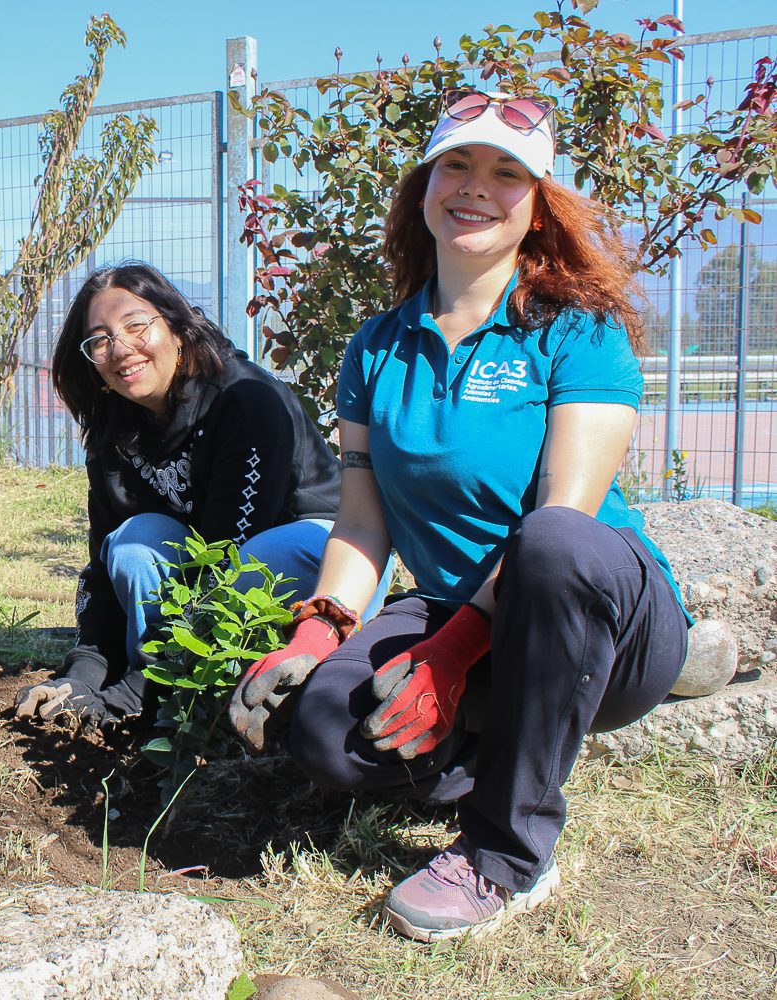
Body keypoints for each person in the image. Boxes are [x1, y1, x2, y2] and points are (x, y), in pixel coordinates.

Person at [228, 89, 693, 941]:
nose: (476, 187)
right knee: (327, 731)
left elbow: (567, 518)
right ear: (424, 188)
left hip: (593, 619)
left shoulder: (576, 331)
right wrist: (321, 628)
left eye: (507, 173)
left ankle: (508, 854)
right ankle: (505, 756)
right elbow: (363, 523)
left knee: (552, 540)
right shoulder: (377, 348)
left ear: (538, 207)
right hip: (457, 610)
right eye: (457, 165)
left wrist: (453, 650)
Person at [15, 262, 379, 732]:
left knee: (257, 556)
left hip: (330, 560)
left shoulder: (244, 402)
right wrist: (82, 675)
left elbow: (226, 559)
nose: (121, 348)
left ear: (178, 328)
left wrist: (131, 693)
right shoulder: (115, 432)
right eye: (100, 339)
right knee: (131, 543)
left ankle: (163, 689)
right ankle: (168, 684)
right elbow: (103, 567)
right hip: (223, 564)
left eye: (136, 325)